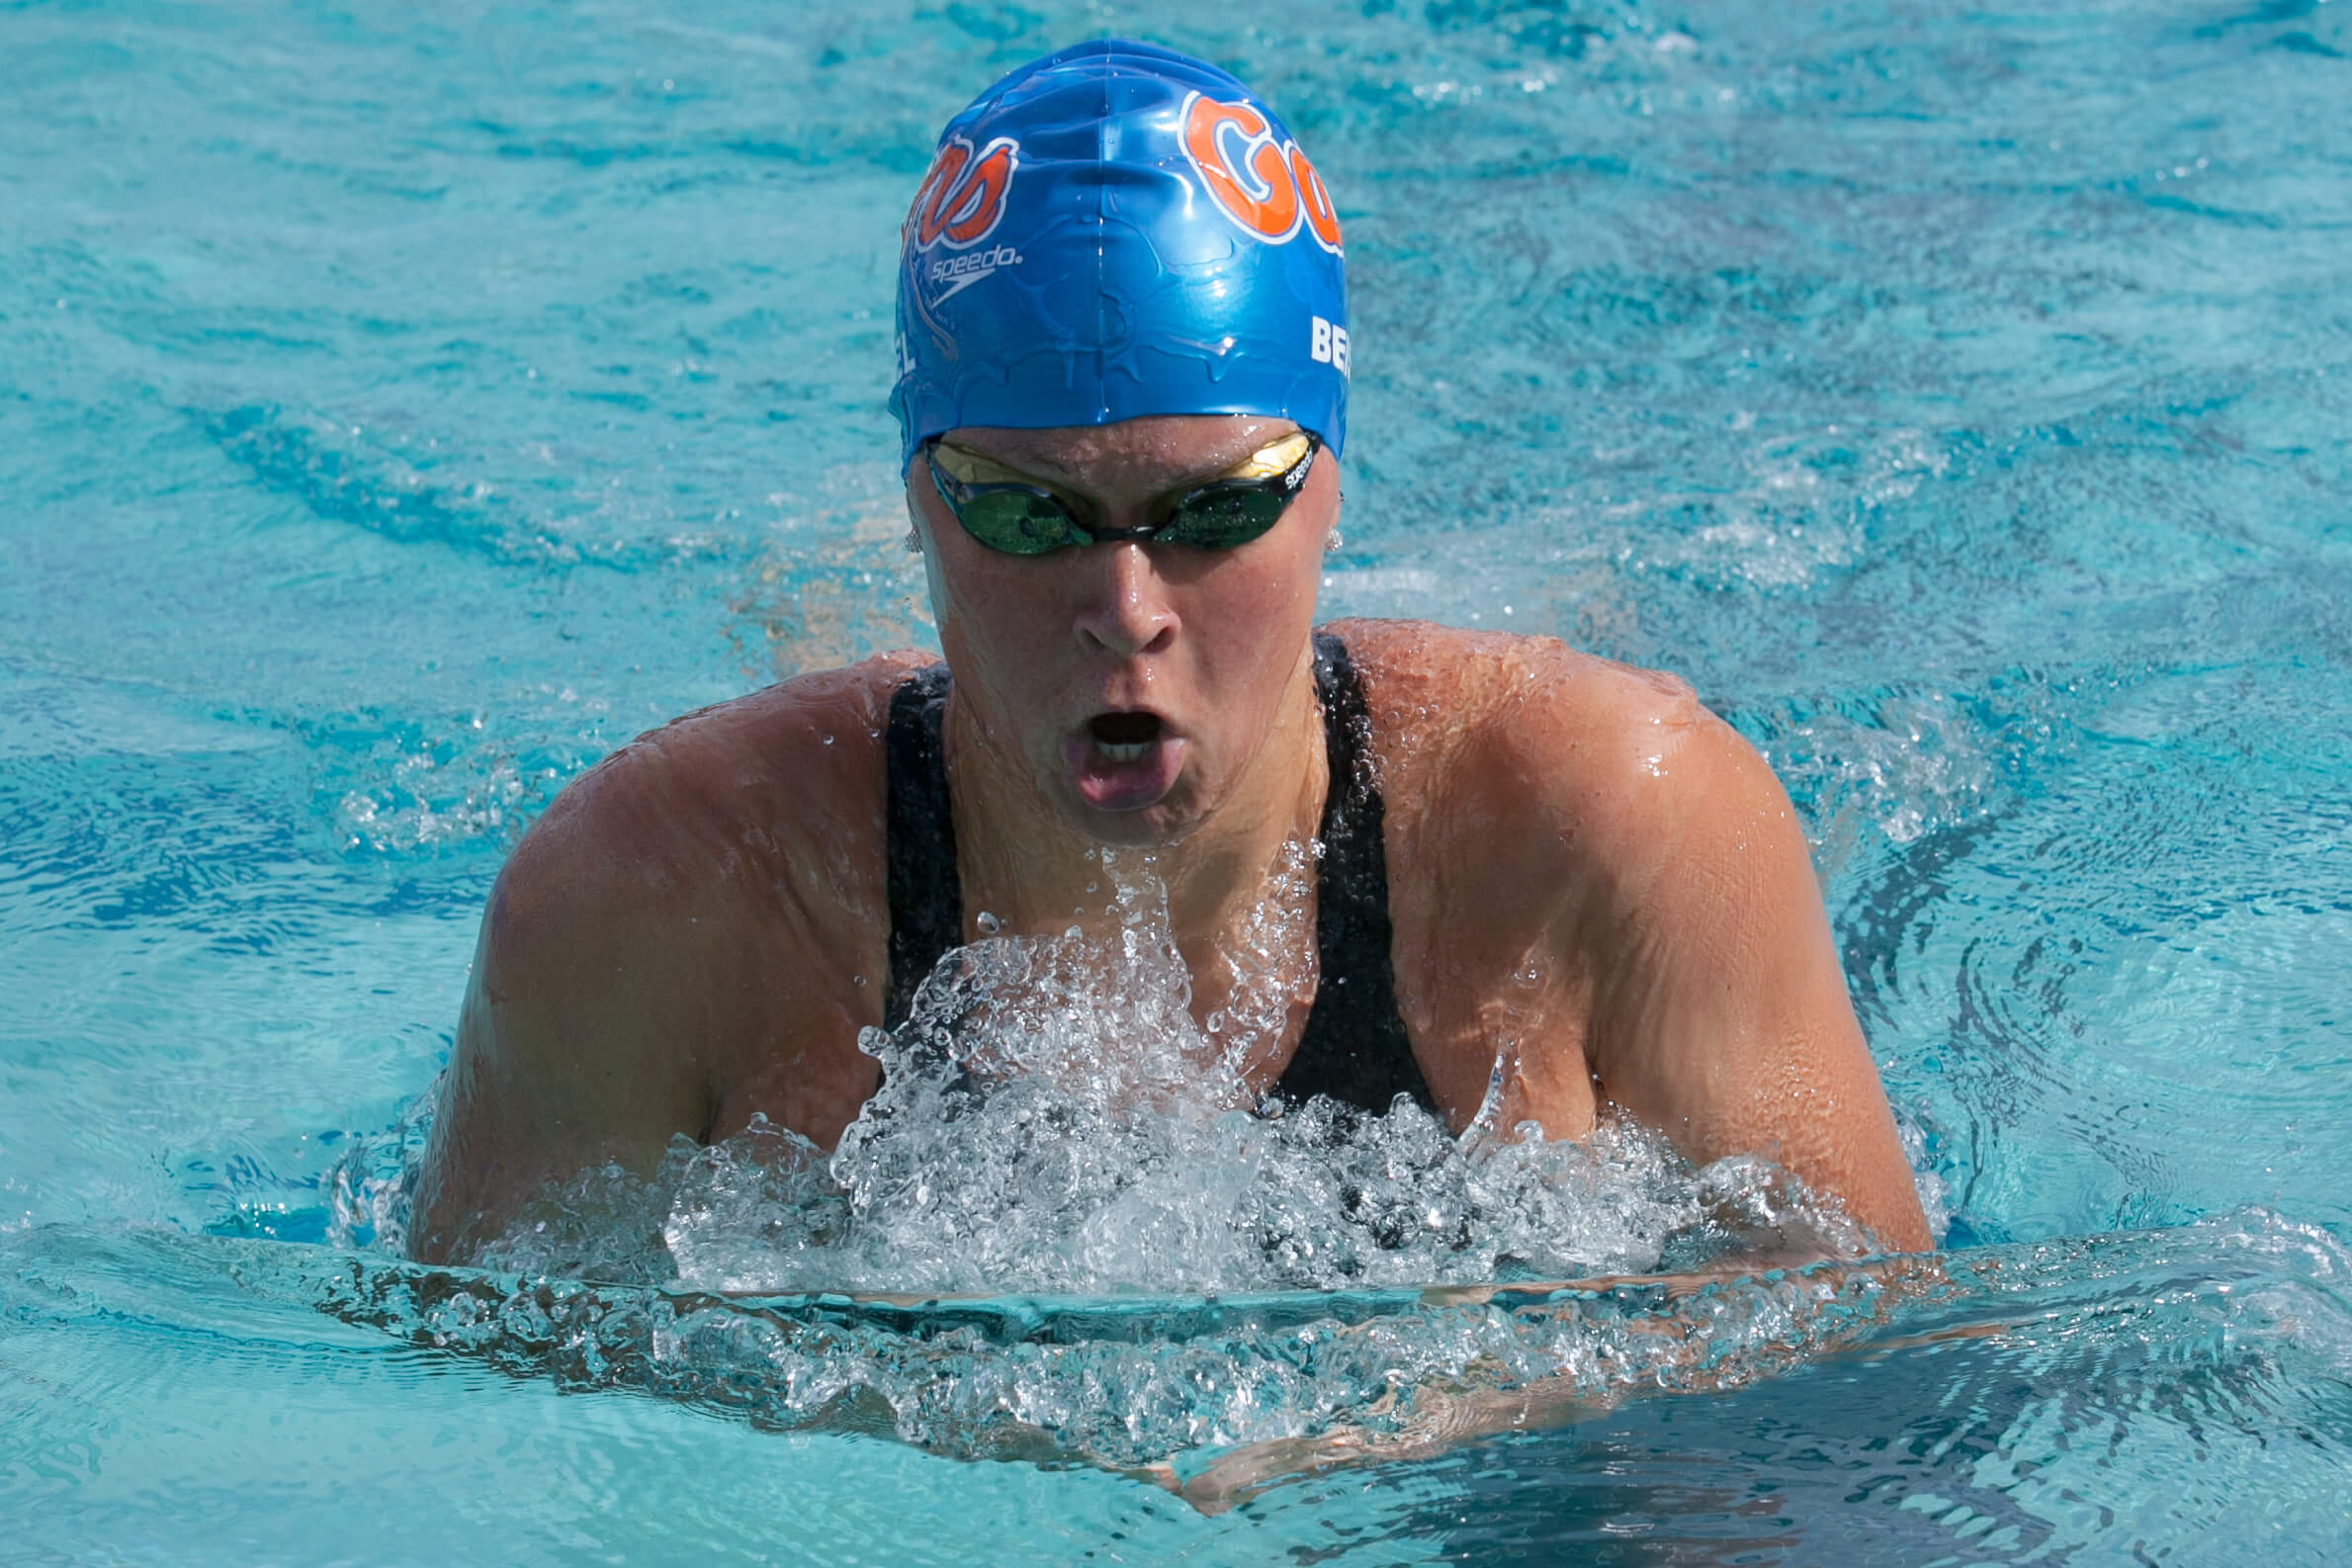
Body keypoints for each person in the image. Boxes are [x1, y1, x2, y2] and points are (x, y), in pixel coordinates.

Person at [407, 40, 1932, 1266]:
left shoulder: (1625, 826)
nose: (1127, 603)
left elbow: (1867, 1358)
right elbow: (469, 1416)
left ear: (1329, 483)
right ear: (921, 500)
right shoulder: (647, 905)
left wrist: (1437, 1405)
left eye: (1217, 509)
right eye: (1025, 513)